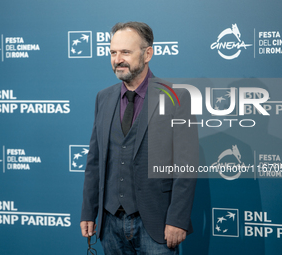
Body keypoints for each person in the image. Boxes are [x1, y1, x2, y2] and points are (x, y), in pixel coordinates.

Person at [80, 21, 198, 254]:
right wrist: (88, 211)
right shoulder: (103, 98)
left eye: (125, 52)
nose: (117, 59)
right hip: (110, 223)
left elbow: (186, 165)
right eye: (113, 52)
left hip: (156, 224)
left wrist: (178, 219)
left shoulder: (175, 96)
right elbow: (94, 162)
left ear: (148, 54)